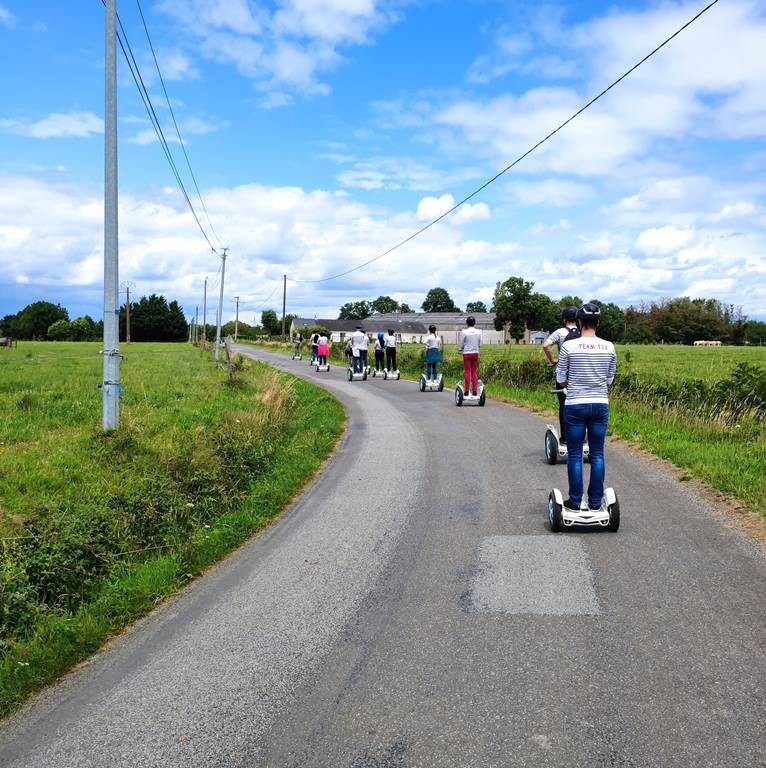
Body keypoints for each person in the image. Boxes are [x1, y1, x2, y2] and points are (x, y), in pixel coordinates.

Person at [556, 303, 617, 512]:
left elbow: (561, 378)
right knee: (597, 454)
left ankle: (575, 501)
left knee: (575, 454)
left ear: (580, 322)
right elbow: (610, 380)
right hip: (600, 403)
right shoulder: (609, 347)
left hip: (575, 404)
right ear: (598, 323)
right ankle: (594, 502)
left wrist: (572, 383)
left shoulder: (568, 347)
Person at [542, 306, 580, 445]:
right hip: (580, 374)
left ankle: (565, 437)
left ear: (564, 319)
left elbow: (546, 345)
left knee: (564, 404)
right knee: (580, 404)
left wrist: (552, 361)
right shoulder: (582, 332)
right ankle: (581, 437)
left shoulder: (560, 332)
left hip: (563, 374)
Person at [459, 316, 482, 396]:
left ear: (467, 323)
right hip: (475, 352)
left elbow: (461, 343)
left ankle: (466, 390)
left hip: (467, 353)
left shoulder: (464, 332)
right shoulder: (479, 332)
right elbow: (480, 343)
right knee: (474, 371)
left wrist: (461, 349)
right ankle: (475, 390)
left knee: (467, 371)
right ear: (474, 323)